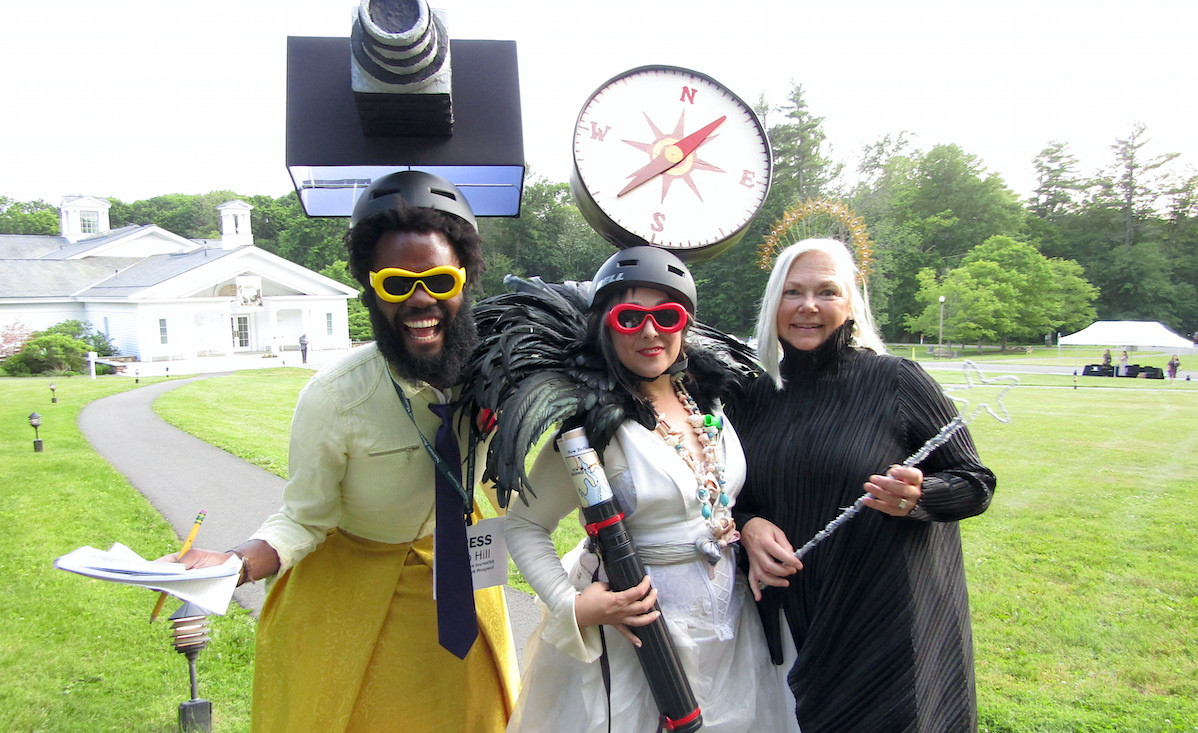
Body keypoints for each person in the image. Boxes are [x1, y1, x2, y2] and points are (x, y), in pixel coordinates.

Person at [164, 171, 518, 732]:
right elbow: (304, 518)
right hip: (355, 592)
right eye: (398, 284)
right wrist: (233, 565)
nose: (421, 301)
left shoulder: (501, 372)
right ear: (372, 286)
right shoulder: (334, 399)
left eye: (440, 280)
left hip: (461, 577)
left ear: (466, 280)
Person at [502, 247, 798, 732]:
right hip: (639, 648)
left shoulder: (712, 402)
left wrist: (750, 524)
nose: (649, 331)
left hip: (732, 629)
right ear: (605, 325)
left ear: (686, 324)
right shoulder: (589, 428)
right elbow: (525, 524)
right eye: (629, 317)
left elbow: (719, 499)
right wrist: (572, 604)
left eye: (667, 315)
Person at [730, 238, 996, 732]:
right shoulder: (752, 392)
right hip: (793, 619)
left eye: (826, 292)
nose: (808, 306)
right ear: (773, 304)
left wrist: (920, 496)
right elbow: (731, 495)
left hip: (886, 620)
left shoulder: (896, 380)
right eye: (794, 292)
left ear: (850, 303)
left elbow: (975, 482)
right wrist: (748, 525)